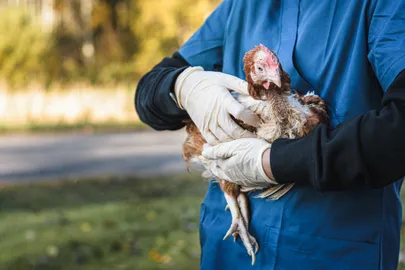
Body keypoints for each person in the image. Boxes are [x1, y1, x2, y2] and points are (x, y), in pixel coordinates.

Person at [135, 0, 405, 269]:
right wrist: (183, 85)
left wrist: (270, 163)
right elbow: (148, 94)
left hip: (333, 250)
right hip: (229, 249)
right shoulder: (241, 7)